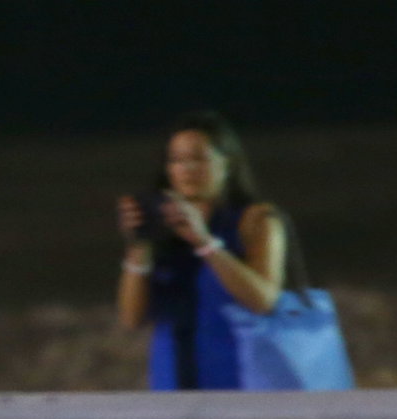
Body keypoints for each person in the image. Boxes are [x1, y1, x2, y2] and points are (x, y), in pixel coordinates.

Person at [116, 111, 287, 389]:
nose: (186, 169)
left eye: (198, 158)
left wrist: (204, 242)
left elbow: (263, 300)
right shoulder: (165, 230)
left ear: (227, 163)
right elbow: (131, 319)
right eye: (177, 160)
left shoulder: (257, 220)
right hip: (174, 384)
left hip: (245, 383)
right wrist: (139, 246)